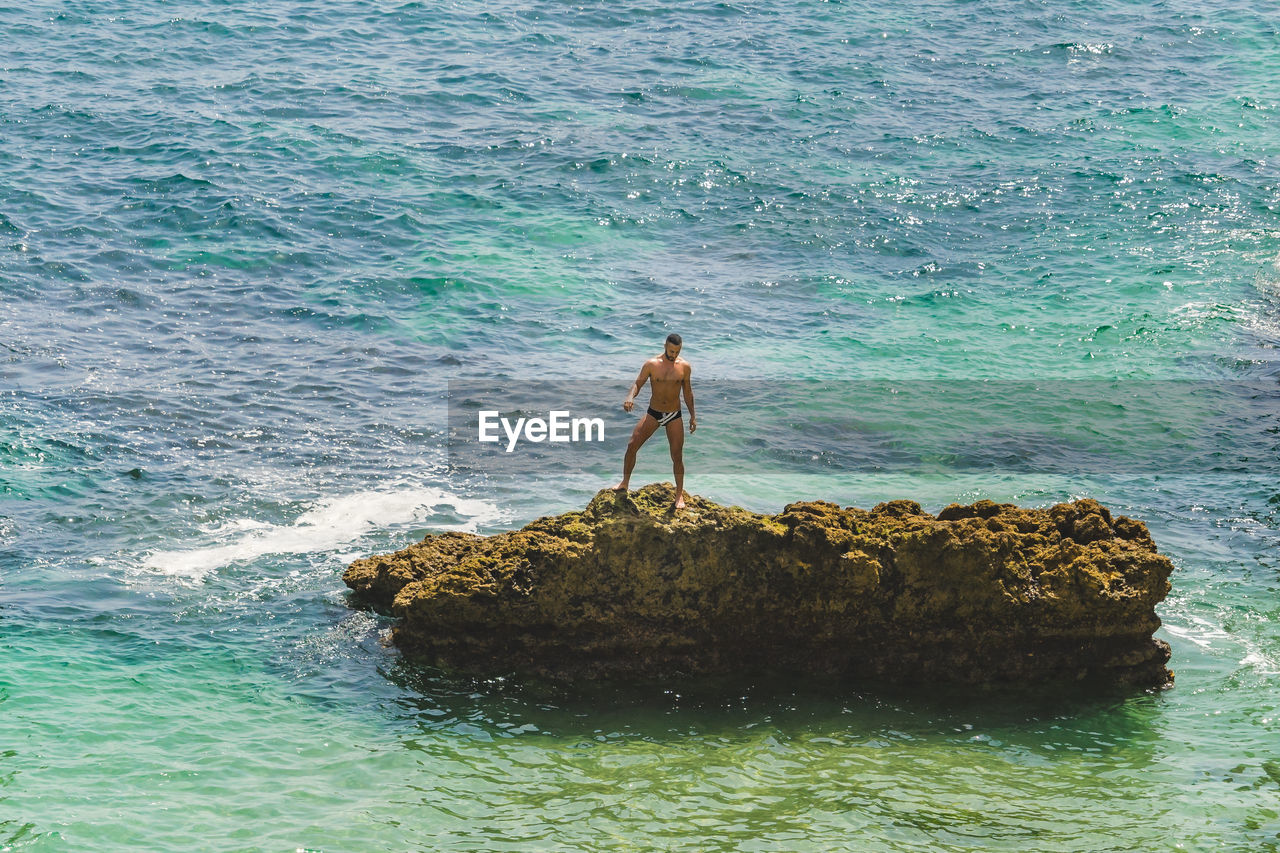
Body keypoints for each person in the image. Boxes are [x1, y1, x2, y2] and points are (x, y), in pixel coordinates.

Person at [612, 333, 697, 510]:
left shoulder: (685, 367)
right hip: (654, 413)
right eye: (671, 351)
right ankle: (625, 482)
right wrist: (630, 396)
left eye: (677, 352)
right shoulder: (651, 364)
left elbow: (688, 393)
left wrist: (693, 416)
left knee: (677, 456)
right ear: (665, 345)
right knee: (632, 445)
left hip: (674, 415)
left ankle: (679, 496)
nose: (673, 355)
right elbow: (637, 384)